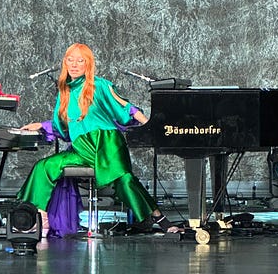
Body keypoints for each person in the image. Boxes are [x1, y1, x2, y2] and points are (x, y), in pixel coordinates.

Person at [17, 43, 180, 236]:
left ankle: (160, 219)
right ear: (65, 63)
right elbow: (64, 126)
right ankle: (38, 217)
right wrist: (41, 125)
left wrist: (151, 128)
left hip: (107, 145)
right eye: (70, 60)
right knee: (44, 166)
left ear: (88, 64)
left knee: (125, 181)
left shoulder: (100, 85)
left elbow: (126, 108)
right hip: (81, 148)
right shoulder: (65, 92)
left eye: (80, 61)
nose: (74, 65)